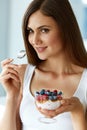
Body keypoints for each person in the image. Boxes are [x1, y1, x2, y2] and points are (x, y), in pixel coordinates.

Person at [0, 0, 87, 130]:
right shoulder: (24, 74)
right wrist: (12, 95)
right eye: (30, 31)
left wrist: (77, 111)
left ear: (65, 29)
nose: (34, 40)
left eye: (44, 30)